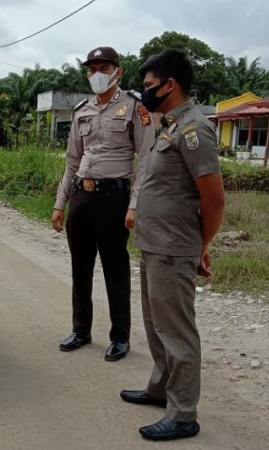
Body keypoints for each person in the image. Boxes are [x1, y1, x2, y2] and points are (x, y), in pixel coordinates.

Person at [120, 49, 225, 441]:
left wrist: (202, 244)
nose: (144, 92)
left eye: (149, 86)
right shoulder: (169, 126)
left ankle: (183, 414)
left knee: (177, 330)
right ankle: (160, 388)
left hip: (174, 245)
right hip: (154, 243)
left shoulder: (194, 129)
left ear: (171, 85)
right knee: (155, 325)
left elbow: (213, 198)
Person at [52, 46, 155, 361]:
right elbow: (72, 162)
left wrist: (135, 204)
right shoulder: (81, 110)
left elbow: (147, 159)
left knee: (115, 269)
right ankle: (81, 330)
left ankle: (120, 336)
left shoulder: (134, 108)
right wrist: (61, 203)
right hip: (82, 196)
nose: (98, 74)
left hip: (114, 198)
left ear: (118, 72)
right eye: (92, 68)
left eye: (104, 67)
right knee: (80, 267)